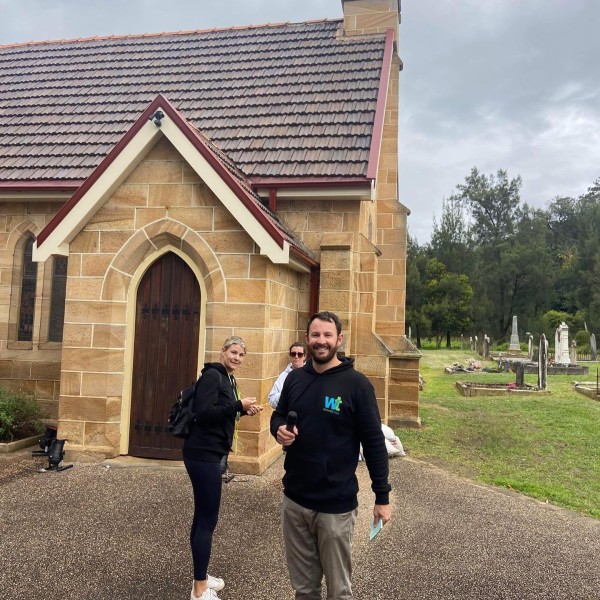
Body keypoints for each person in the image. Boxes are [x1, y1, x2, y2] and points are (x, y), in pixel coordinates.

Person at [270, 311, 392, 600]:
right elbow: (278, 415)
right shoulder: (295, 379)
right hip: (295, 501)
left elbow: (374, 443)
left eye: (327, 335)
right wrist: (278, 430)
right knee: (304, 589)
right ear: (308, 339)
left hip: (335, 506)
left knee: (338, 591)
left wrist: (382, 496)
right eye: (315, 335)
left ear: (338, 339)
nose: (321, 341)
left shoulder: (357, 385)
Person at [183, 335, 263, 600]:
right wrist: (238, 405)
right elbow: (203, 414)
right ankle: (199, 590)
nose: (237, 358)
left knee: (203, 518)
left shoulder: (228, 379)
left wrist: (242, 410)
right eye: (233, 352)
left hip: (211, 453)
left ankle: (202, 577)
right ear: (223, 351)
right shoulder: (212, 376)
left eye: (241, 354)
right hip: (202, 454)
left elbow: (222, 411)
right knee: (207, 520)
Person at [268, 342, 306, 409]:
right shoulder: (284, 375)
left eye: (300, 354)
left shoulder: (310, 374)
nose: (296, 357)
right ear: (290, 355)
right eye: (293, 354)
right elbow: (271, 400)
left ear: (304, 356)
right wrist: (286, 393)